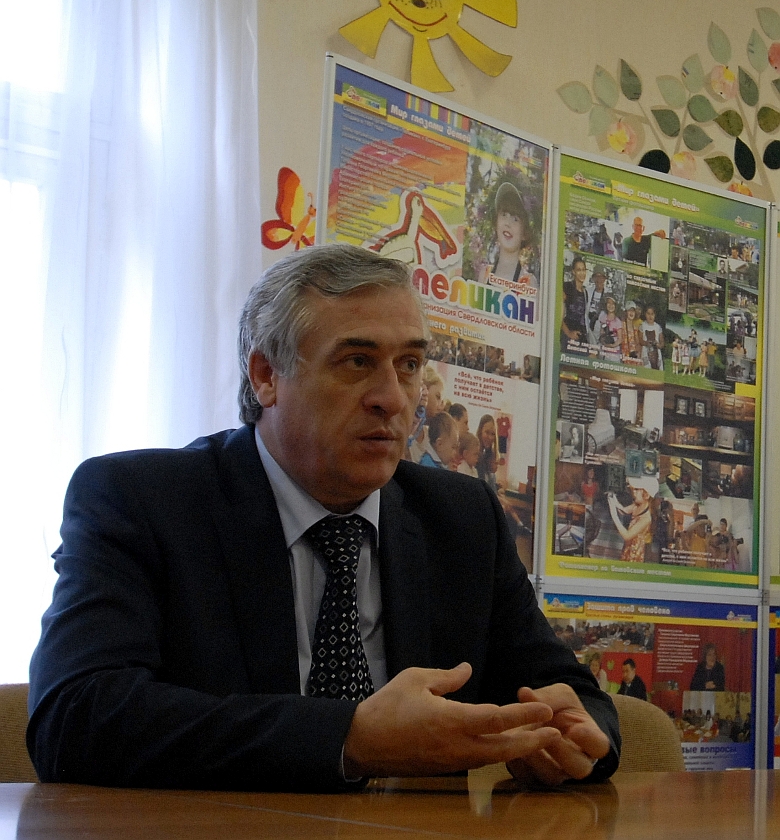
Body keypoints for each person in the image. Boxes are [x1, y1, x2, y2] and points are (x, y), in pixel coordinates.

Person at [27, 245, 620, 791]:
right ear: (266, 376)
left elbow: (569, 690)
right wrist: (349, 738)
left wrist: (579, 735)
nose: (393, 398)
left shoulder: (461, 517)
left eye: (409, 364)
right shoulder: (141, 500)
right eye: (358, 361)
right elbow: (75, 716)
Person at [479, 181, 538, 288]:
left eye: (515, 219)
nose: (508, 223)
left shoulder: (529, 283)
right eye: (504, 214)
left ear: (525, 233)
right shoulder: (484, 275)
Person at [607, 476, 657, 563]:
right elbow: (624, 510)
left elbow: (627, 536)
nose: (633, 492)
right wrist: (615, 502)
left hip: (636, 550)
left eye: (637, 490)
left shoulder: (646, 518)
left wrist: (614, 514)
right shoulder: (637, 504)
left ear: (646, 495)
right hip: (629, 544)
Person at [561, 256, 588, 353]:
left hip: (581, 336)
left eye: (583, 270)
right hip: (567, 334)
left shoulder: (585, 292)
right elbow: (558, 314)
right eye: (579, 270)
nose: (582, 273)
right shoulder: (567, 287)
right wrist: (568, 333)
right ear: (573, 272)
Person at [475, 413, 499, 492]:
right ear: (480, 431)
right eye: (487, 432)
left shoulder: (489, 456)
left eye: (492, 434)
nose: (490, 437)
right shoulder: (474, 455)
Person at [640, 305, 664, 370]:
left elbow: (662, 342)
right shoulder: (642, 325)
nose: (650, 316)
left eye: (652, 314)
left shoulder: (657, 327)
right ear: (645, 314)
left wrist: (658, 345)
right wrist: (646, 343)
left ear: (654, 315)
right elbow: (640, 340)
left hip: (656, 353)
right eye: (648, 314)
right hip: (646, 352)